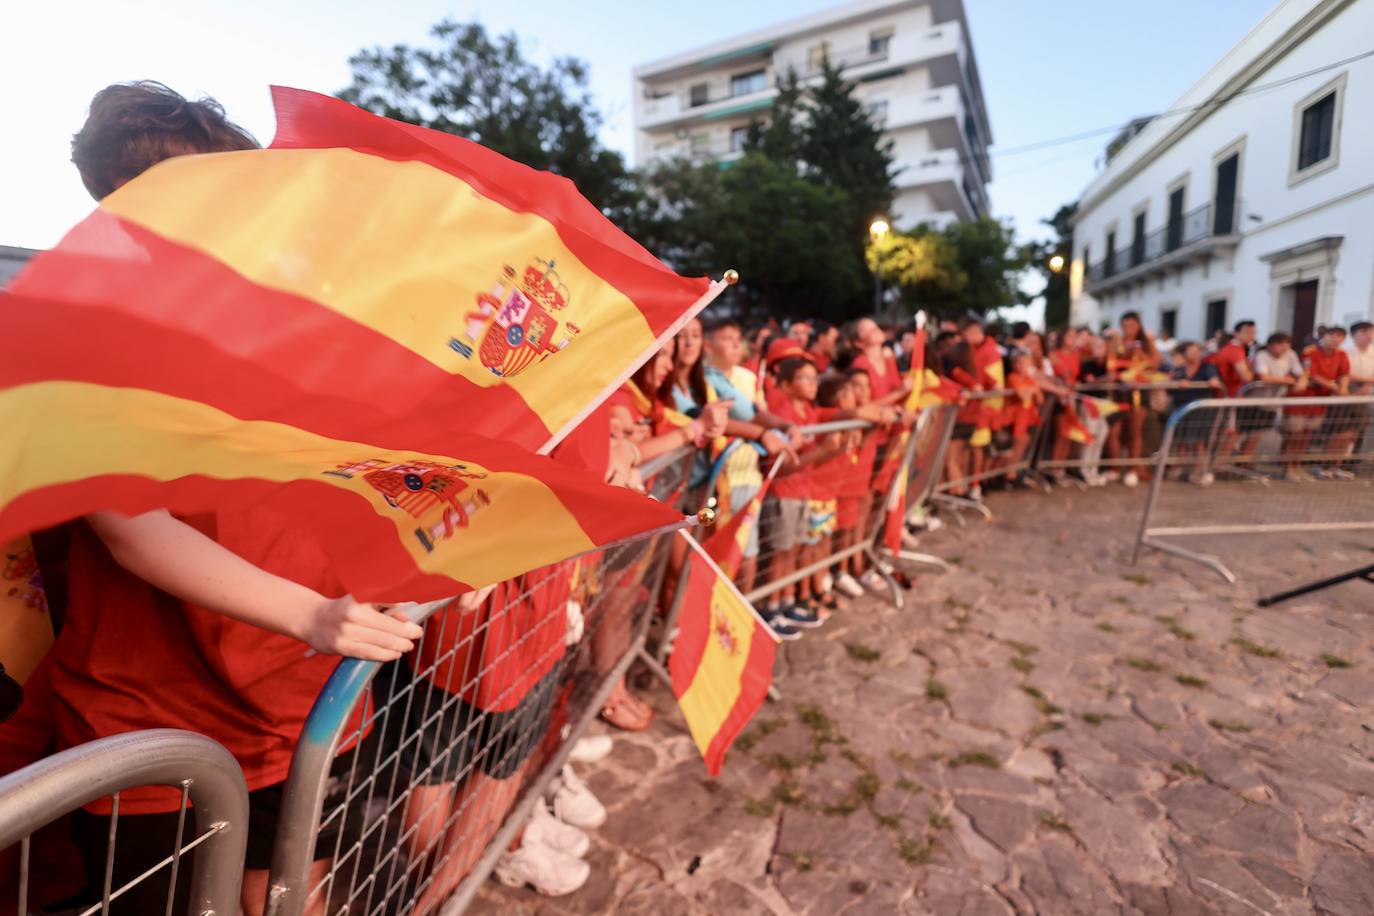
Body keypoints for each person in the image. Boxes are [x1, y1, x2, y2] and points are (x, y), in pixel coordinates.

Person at [49, 81, 422, 916]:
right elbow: (132, 530)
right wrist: (314, 617)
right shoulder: (91, 333)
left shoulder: (293, 326)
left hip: (304, 697)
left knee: (296, 892)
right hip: (153, 717)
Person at [1104, 311, 1161, 487]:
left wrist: (1140, 354)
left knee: (1134, 432)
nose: (1128, 328)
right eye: (1125, 325)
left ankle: (1132, 470)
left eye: (1132, 325)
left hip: (1138, 391)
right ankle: (1115, 469)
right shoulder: (1116, 341)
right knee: (1115, 432)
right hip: (1120, 392)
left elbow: (1155, 364)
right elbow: (1110, 364)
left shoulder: (1146, 342)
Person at [1167, 341, 1224, 484]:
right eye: (1190, 352)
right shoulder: (1179, 370)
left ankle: (1198, 471)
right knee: (1181, 441)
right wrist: (1176, 383)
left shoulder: (1207, 367)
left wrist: (1213, 380)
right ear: (1184, 354)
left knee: (1199, 441)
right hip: (1181, 409)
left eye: (1197, 351)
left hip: (1201, 410)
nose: (1194, 354)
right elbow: (1170, 387)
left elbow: (1213, 378)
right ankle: (1179, 468)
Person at [1304, 326, 1356, 478]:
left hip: (1334, 398)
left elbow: (1345, 373)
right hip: (1313, 397)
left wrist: (1344, 389)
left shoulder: (1342, 354)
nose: (1335, 339)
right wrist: (1334, 386)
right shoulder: (1311, 352)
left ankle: (1334, 465)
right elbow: (1312, 375)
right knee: (1304, 433)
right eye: (1331, 335)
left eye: (1340, 336)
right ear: (1323, 336)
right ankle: (1297, 465)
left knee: (1339, 431)